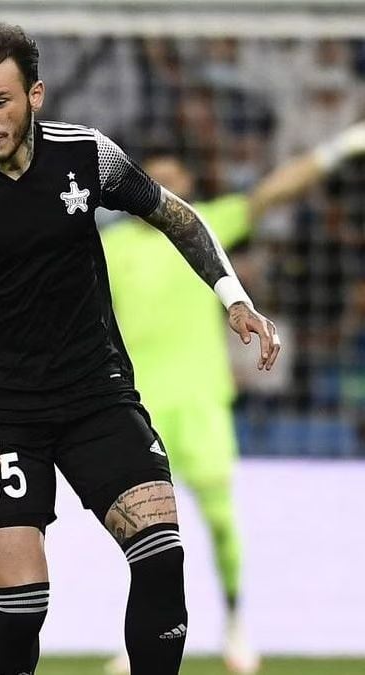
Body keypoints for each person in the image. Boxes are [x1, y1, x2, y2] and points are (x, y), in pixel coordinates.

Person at [0, 22, 281, 675]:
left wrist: (232, 297)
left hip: (97, 398)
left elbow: (175, 215)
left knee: (161, 553)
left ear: (34, 95)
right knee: (22, 605)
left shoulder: (87, 156)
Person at [101, 121, 365, 674]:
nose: (165, 190)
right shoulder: (108, 245)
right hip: (137, 408)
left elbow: (275, 190)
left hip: (201, 401)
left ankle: (236, 622)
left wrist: (344, 145)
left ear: (189, 184)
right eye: (155, 179)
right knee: (141, 532)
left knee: (220, 520)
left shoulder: (204, 227)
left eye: (174, 180)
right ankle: (138, 637)